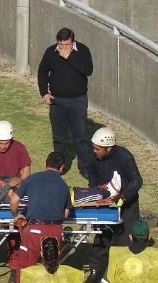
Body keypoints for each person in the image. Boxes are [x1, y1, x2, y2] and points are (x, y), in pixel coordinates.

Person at [8, 152, 72, 283]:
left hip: (34, 230)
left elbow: (14, 202)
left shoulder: (33, 179)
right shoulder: (64, 186)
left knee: (24, 268)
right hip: (55, 231)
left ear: (45, 162)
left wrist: (16, 216)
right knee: (51, 266)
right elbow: (65, 213)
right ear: (62, 168)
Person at [80, 127, 144, 283]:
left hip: (126, 203)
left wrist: (122, 199)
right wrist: (96, 198)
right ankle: (95, 274)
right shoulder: (93, 158)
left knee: (124, 240)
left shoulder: (124, 157)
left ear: (109, 148)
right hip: (105, 203)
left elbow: (137, 181)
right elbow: (93, 182)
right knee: (101, 238)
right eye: (94, 148)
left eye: (98, 149)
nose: (94, 152)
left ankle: (125, 275)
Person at [37, 27, 94, 177]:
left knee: (80, 137)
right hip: (57, 101)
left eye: (66, 45)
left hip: (78, 100)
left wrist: (70, 57)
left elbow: (88, 70)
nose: (63, 48)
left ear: (72, 42)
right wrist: (44, 93)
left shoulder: (82, 50)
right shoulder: (51, 52)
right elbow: (42, 71)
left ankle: (85, 168)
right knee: (59, 137)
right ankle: (58, 168)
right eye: (60, 45)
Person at [0, 120, 32, 207]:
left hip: (14, 184)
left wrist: (17, 186)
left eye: (6, 143)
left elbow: (26, 171)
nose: (3, 146)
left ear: (11, 140)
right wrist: (5, 186)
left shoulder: (19, 148)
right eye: (0, 143)